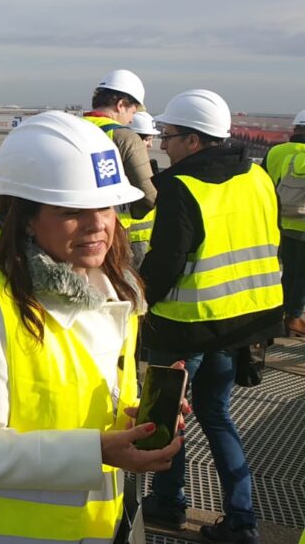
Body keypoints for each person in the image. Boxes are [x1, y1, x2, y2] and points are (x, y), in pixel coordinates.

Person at [0, 111, 182, 544]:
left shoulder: (115, 299)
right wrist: (97, 450)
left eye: (106, 206)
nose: (97, 224)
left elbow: (81, 406)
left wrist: (139, 420)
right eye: (72, 211)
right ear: (27, 217)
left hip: (100, 528)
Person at [140, 89, 283, 544]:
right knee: (216, 414)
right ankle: (242, 520)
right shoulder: (258, 176)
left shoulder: (181, 186)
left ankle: (168, 503)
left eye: (169, 135)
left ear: (194, 141)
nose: (164, 144)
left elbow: (166, 262)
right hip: (240, 322)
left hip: (183, 326)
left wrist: (138, 300)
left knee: (165, 415)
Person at [83, 69, 158, 222]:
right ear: (121, 105)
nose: (131, 120)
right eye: (133, 112)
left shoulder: (71, 128)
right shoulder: (125, 137)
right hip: (111, 226)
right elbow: (148, 196)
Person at [261, 109, 305, 335]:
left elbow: (262, 182)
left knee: (287, 271)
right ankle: (294, 317)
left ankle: (280, 315)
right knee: (302, 275)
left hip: (280, 222)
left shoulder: (276, 151)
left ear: (295, 128)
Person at [123, 111, 162, 265]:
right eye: (147, 139)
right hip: (131, 240)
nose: (150, 145)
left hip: (145, 239)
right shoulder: (125, 169)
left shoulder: (147, 165)